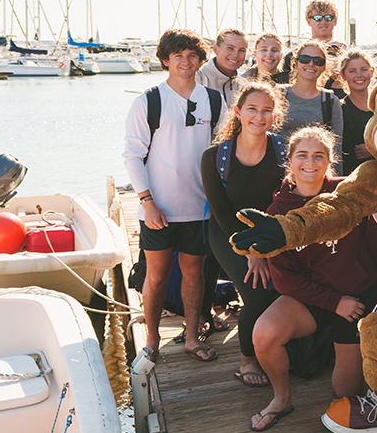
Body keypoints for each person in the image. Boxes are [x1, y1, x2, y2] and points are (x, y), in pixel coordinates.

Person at [250, 128, 377, 432]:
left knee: (345, 391)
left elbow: (376, 248)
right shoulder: (277, 212)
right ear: (289, 160)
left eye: (318, 156)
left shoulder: (347, 195)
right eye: (302, 155)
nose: (310, 162)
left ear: (329, 162)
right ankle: (282, 398)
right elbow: (285, 280)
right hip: (314, 298)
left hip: (356, 296)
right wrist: (332, 302)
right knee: (263, 334)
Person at [123, 28, 223, 364]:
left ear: (200, 60)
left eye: (191, 55)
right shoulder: (148, 101)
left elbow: (220, 151)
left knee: (194, 273)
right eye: (177, 55)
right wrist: (147, 202)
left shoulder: (214, 100)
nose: (185, 61)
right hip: (159, 209)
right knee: (156, 276)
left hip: (200, 208)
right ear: (165, 60)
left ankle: (192, 336)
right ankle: (151, 340)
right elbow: (132, 156)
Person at [200, 80, 287, 389]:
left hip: (272, 230)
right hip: (228, 232)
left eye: (266, 111)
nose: (258, 117)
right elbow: (222, 212)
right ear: (237, 112)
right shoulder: (214, 158)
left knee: (286, 289)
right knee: (257, 292)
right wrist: (253, 253)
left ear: (274, 116)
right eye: (251, 109)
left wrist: (266, 246)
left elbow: (285, 201)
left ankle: (278, 341)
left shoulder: (283, 153)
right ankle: (248, 357)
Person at [281, 40, 342, 136]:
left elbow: (336, 144)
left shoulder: (330, 101)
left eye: (318, 61)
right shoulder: (279, 94)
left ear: (324, 67)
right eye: (305, 59)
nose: (311, 64)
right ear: (296, 63)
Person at [338, 48, 376, 175]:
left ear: (372, 72)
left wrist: (374, 149)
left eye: (364, 70)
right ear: (342, 75)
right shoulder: (339, 109)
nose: (359, 75)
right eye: (352, 71)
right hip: (353, 179)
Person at [197, 27, 248, 109]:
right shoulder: (198, 80)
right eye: (230, 48)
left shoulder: (243, 86)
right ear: (215, 49)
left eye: (242, 50)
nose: (235, 55)